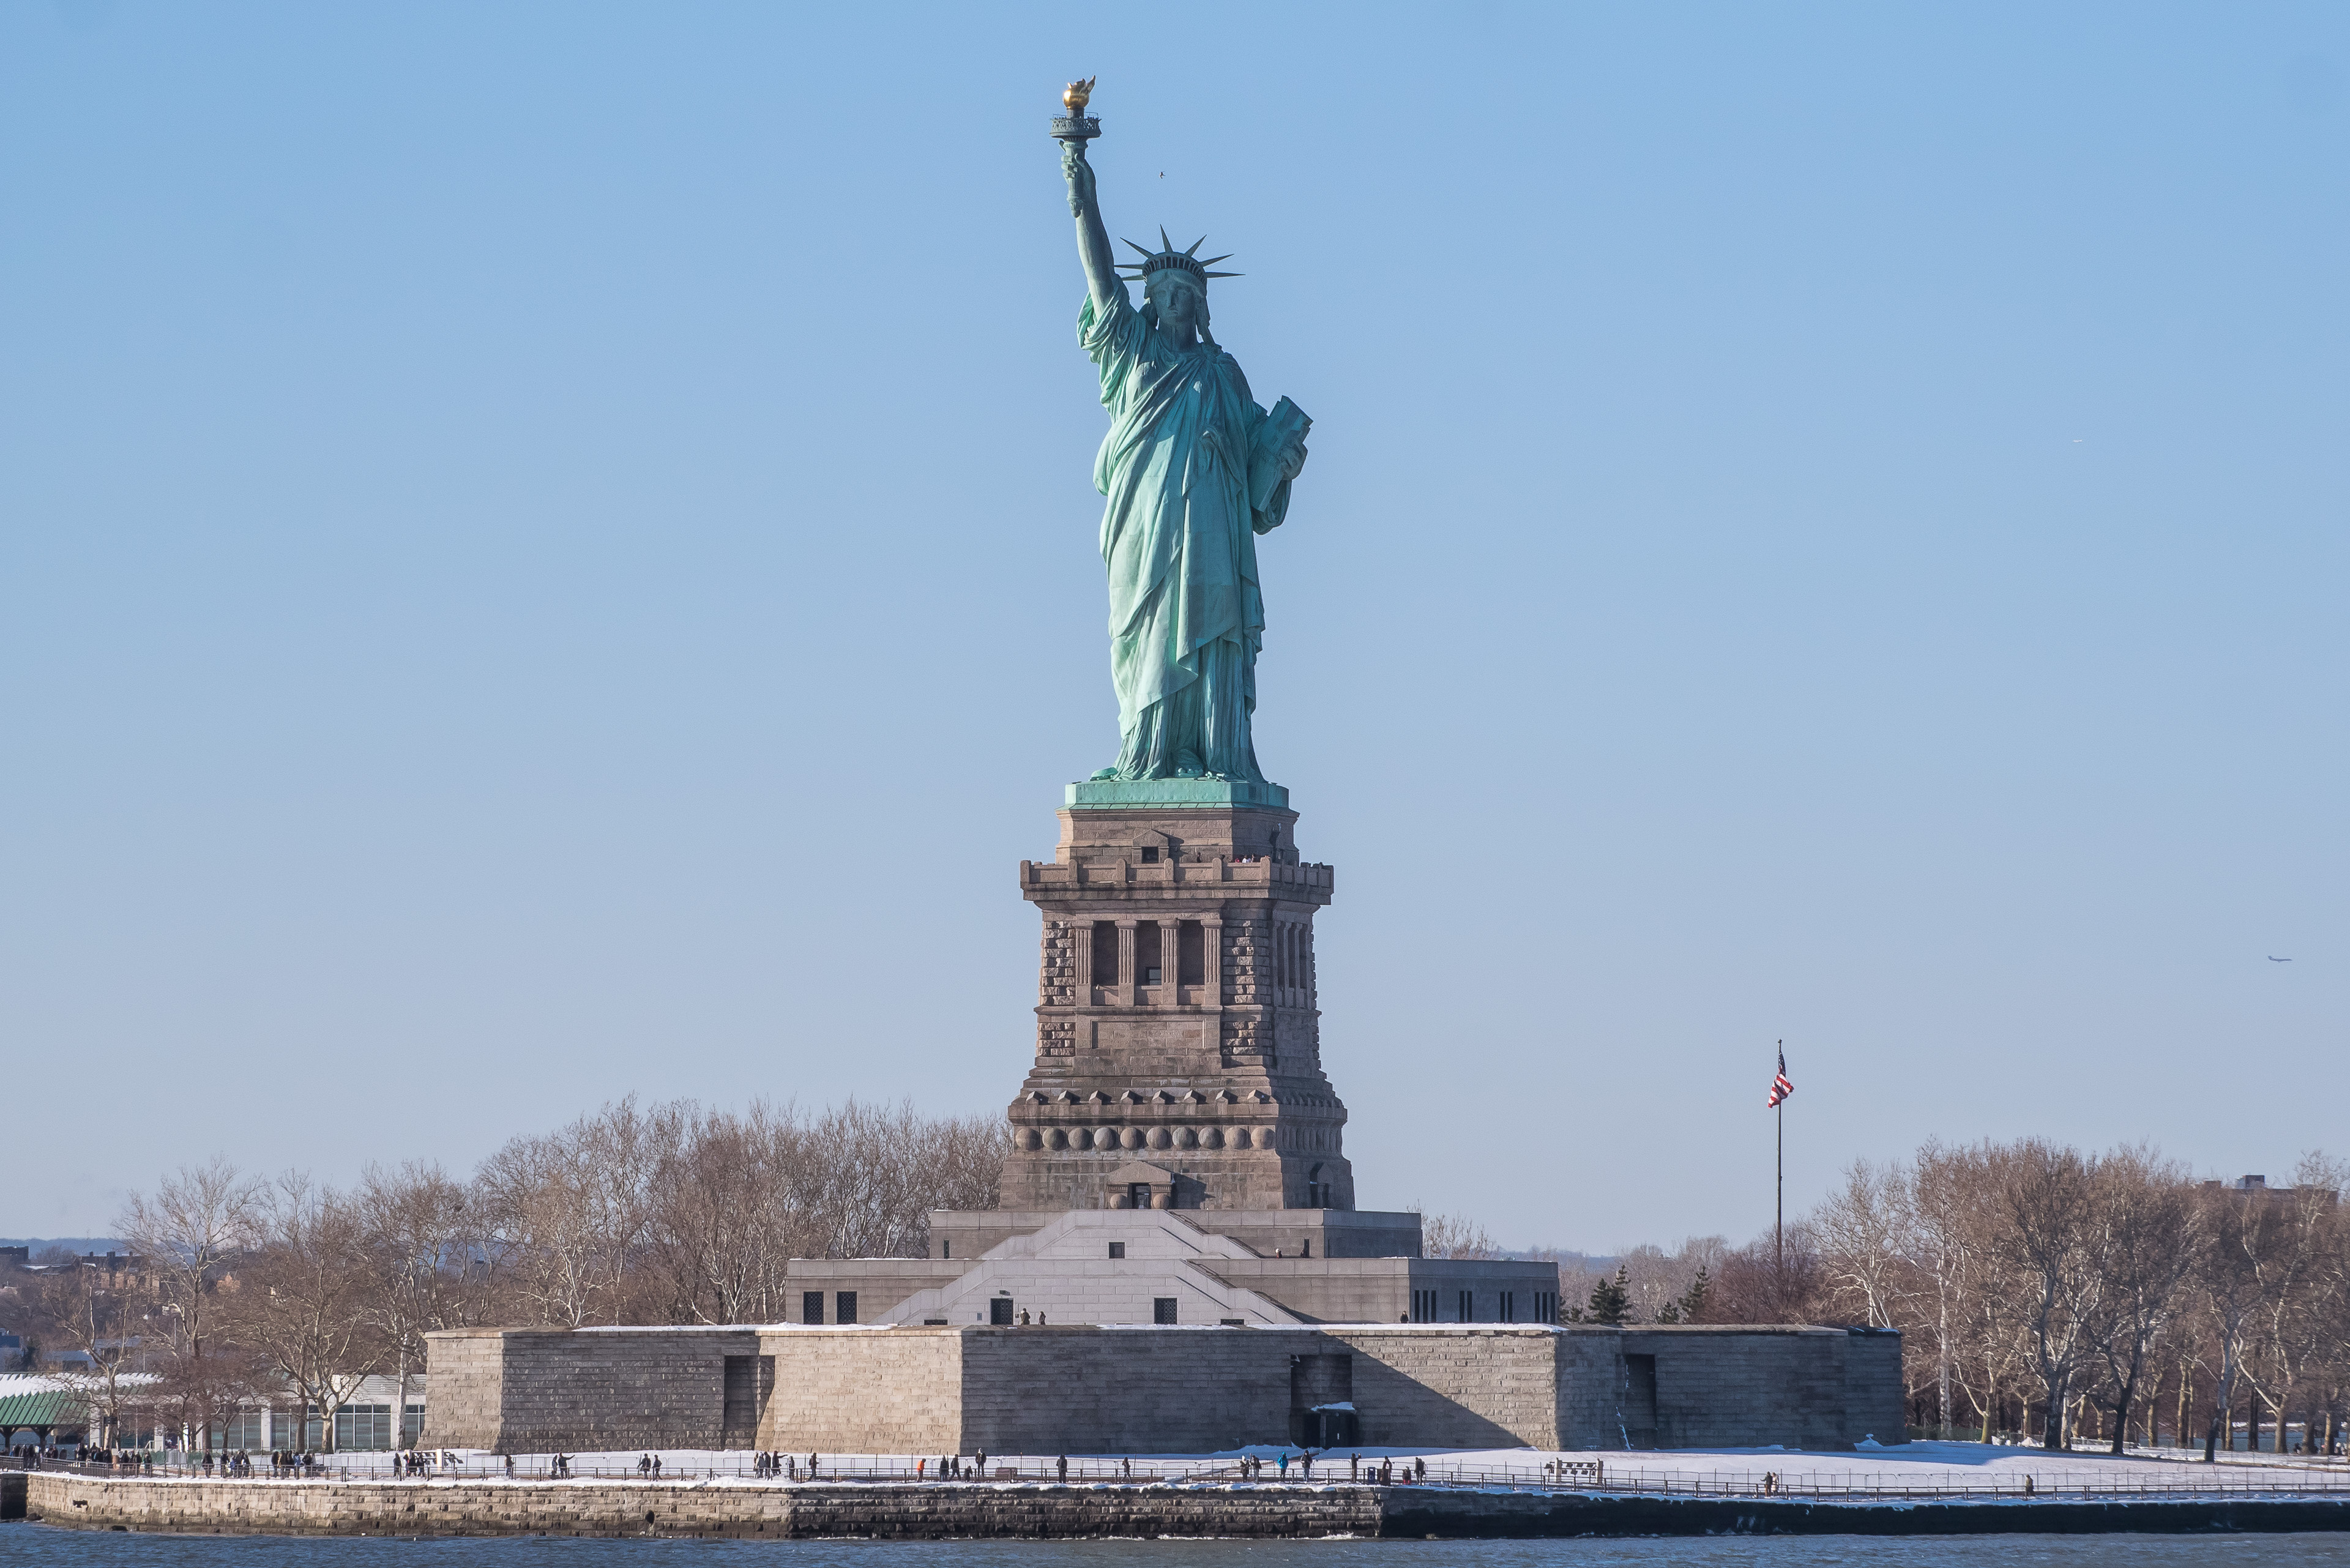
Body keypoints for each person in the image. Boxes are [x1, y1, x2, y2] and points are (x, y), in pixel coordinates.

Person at [1056, 132, 1308, 783]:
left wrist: (1280, 461)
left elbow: (1262, 480)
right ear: (1148, 302)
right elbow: (1098, 271)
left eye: (1184, 296)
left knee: (1211, 632)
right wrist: (1081, 189)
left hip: (1214, 532)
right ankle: (1147, 754)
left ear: (1200, 306)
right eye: (1163, 293)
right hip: (1146, 525)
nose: (1173, 303)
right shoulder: (1132, 354)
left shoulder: (1224, 374)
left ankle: (1213, 751)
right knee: (1146, 638)